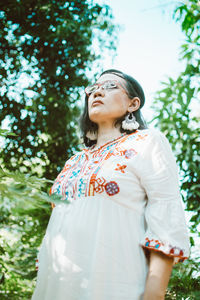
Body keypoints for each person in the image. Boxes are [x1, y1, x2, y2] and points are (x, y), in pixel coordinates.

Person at [32, 69, 190, 300]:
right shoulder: (74, 161)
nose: (97, 92)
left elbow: (165, 213)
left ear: (133, 104)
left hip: (116, 285)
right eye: (93, 89)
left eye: (109, 86)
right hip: (57, 288)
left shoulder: (147, 143)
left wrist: (154, 294)